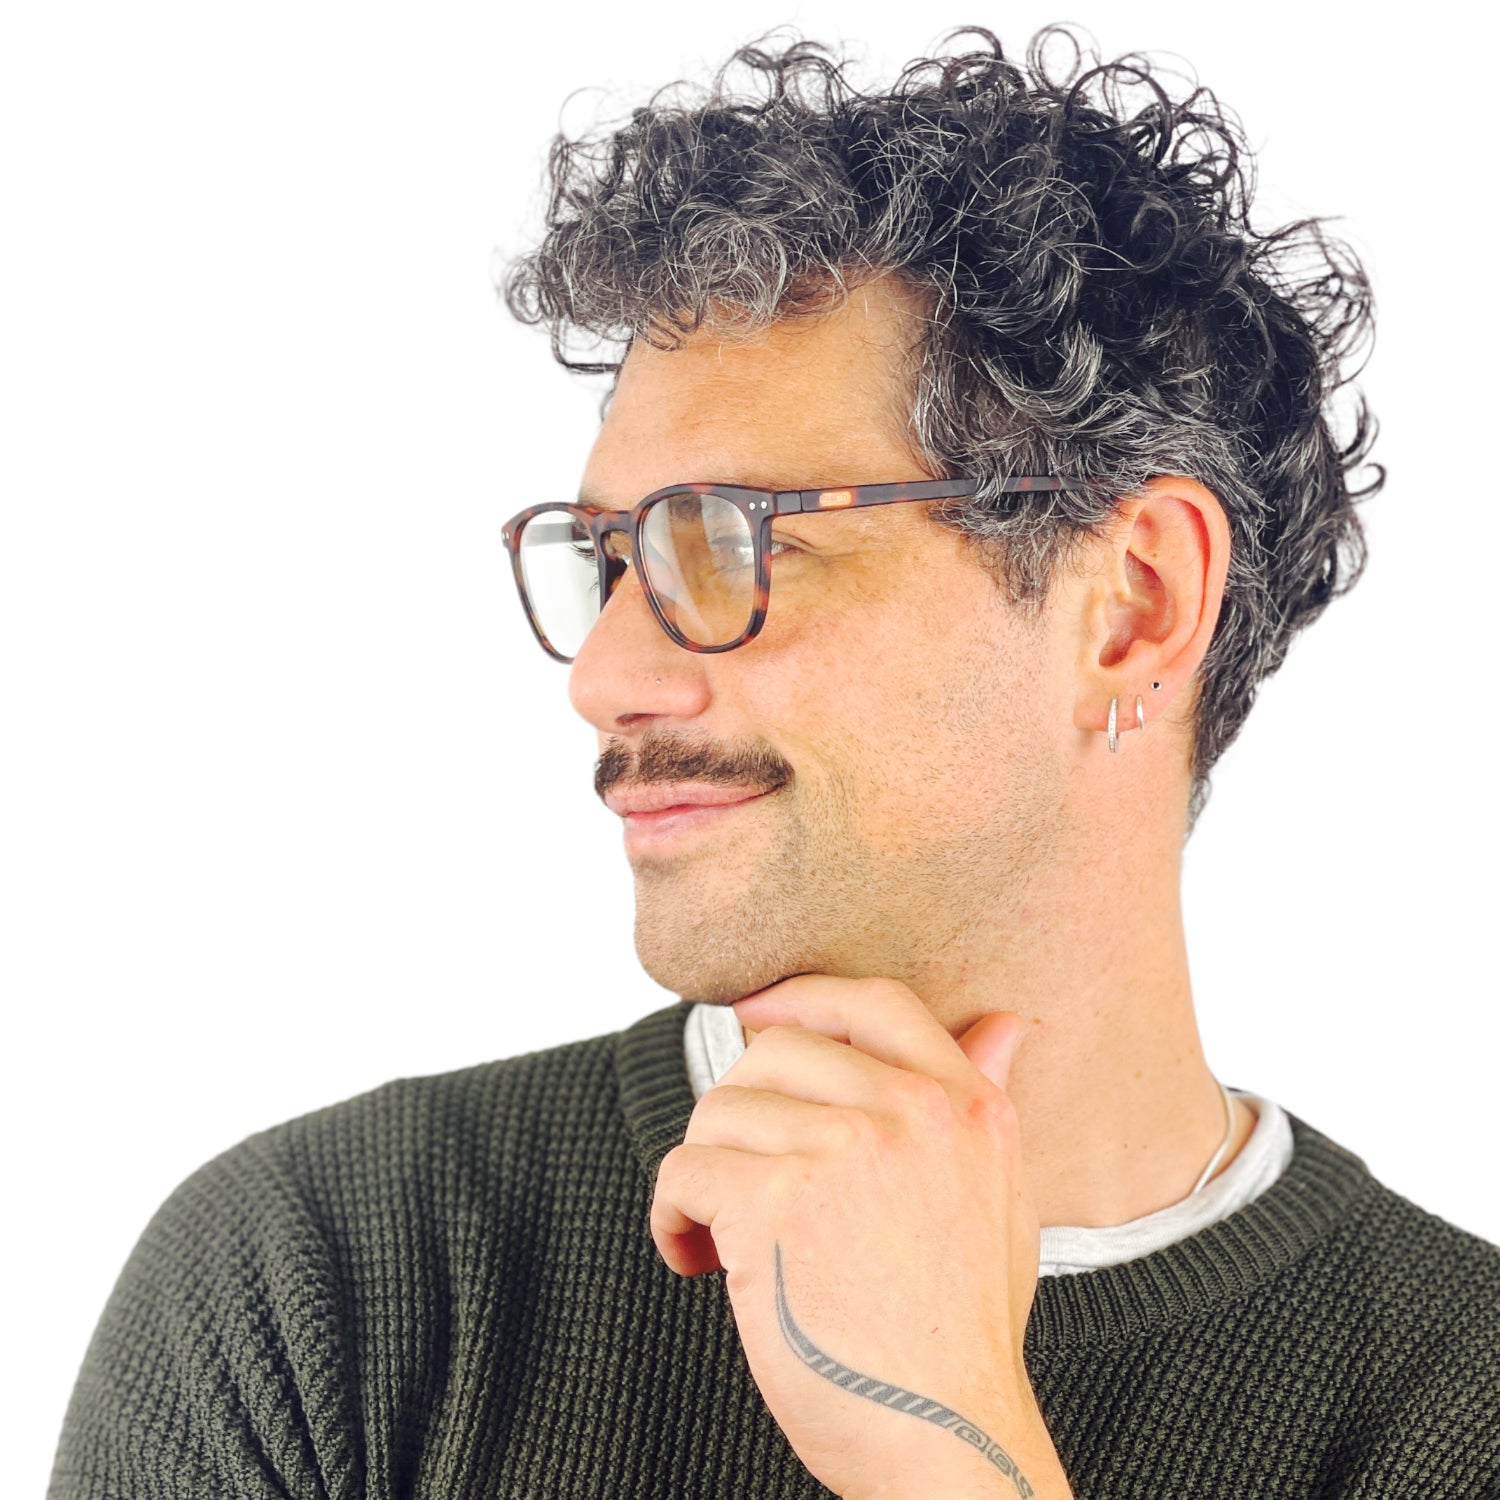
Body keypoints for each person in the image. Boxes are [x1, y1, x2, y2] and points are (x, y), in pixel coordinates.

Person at [48, 25, 1499, 1500]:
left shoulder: (1463, 1409)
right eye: (611, 558)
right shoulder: (329, 1282)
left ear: (1133, 604)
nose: (607, 680)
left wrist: (949, 1450)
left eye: (734, 539)